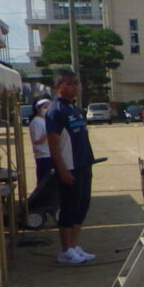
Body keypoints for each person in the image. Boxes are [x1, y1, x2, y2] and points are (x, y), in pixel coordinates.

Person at [45, 72, 97, 265]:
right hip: (70, 167)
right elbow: (54, 145)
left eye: (76, 83)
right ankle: (65, 250)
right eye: (69, 83)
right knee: (69, 208)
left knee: (81, 207)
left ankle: (74, 246)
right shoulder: (56, 111)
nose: (74, 86)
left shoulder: (75, 109)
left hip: (84, 164)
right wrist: (62, 169)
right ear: (58, 86)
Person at [29, 97, 53, 182]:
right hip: (43, 156)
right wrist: (50, 134)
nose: (47, 110)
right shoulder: (36, 122)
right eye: (45, 107)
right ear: (38, 108)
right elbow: (37, 140)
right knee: (44, 182)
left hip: (51, 155)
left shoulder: (47, 120)